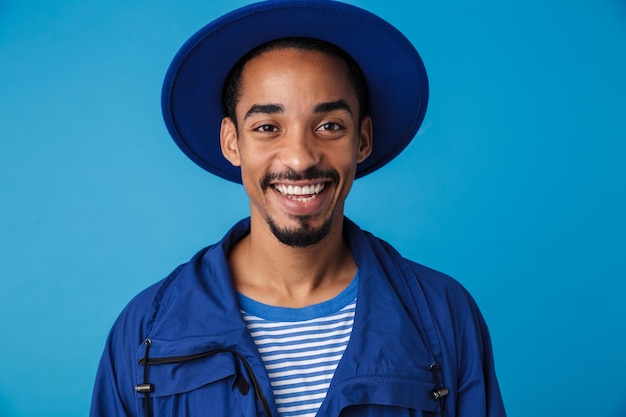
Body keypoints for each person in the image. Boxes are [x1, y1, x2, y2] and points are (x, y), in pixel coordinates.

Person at [90, 1, 506, 416]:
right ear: (232, 141)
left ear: (362, 139)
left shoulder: (444, 313)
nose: (300, 158)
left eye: (329, 126)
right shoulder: (145, 330)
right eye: (267, 128)